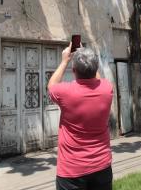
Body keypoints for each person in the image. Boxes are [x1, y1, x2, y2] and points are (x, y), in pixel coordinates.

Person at [48, 44, 113, 190]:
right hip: (102, 166)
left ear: (74, 71)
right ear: (96, 69)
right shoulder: (107, 89)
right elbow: (97, 80)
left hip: (72, 171)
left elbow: (51, 86)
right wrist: (85, 55)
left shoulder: (65, 92)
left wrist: (65, 60)